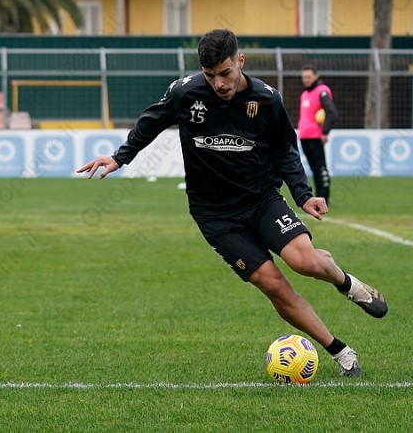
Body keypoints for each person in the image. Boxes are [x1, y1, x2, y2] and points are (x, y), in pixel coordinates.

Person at [78, 29, 387, 377]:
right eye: (210, 75)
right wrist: (119, 157)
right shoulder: (185, 92)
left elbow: (286, 150)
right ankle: (341, 352)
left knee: (305, 262)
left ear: (240, 61)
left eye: (225, 73)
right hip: (215, 216)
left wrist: (303, 194)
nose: (219, 83)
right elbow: (151, 122)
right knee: (274, 286)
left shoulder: (267, 99)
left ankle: (348, 285)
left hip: (262, 200)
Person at [298, 65, 338, 205]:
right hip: (304, 137)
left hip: (316, 137)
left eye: (309, 77)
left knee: (321, 169)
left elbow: (332, 113)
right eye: (304, 77)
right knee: (314, 170)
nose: (306, 80)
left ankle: (324, 198)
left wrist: (325, 132)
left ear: (316, 76)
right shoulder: (305, 94)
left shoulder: (322, 91)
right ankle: (319, 197)